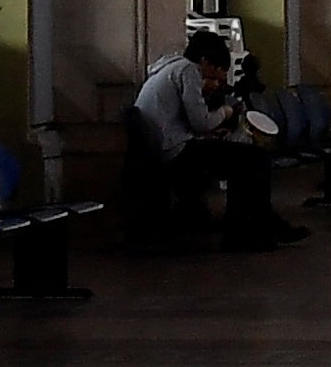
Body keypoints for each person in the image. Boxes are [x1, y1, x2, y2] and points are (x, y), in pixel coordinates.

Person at [128, 29, 298, 249]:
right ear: (205, 61)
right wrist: (226, 112)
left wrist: (206, 135)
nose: (216, 81)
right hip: (176, 154)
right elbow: (202, 121)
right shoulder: (188, 70)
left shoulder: (167, 68)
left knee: (243, 159)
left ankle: (254, 226)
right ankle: (249, 230)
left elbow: (180, 123)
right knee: (254, 159)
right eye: (215, 72)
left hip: (164, 149)